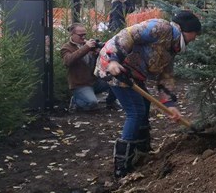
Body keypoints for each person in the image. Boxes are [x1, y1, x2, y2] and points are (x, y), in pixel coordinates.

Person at [95, 10, 202, 178]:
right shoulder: (161, 27)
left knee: (144, 107)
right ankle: (122, 166)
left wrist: (170, 105)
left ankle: (142, 150)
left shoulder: (171, 47)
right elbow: (127, 35)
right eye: (195, 34)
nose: (195, 38)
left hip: (134, 76)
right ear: (185, 29)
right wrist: (113, 59)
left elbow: (166, 77)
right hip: (116, 70)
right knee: (136, 112)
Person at [60, 23, 118, 111]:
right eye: (80, 35)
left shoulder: (87, 45)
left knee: (115, 81)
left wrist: (97, 54)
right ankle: (76, 101)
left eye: (84, 35)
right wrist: (86, 48)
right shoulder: (66, 47)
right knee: (92, 103)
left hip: (94, 81)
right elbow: (68, 61)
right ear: (72, 34)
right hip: (80, 84)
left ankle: (110, 102)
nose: (83, 37)